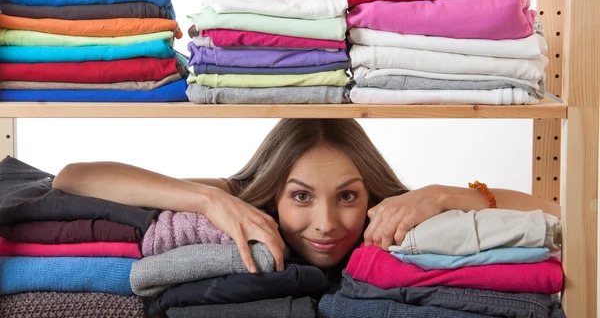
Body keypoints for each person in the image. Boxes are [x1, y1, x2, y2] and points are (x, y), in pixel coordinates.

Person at [52, 118, 560, 274]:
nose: (325, 223)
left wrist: (443, 195)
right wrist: (210, 200)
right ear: (272, 194)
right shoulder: (238, 201)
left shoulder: (398, 216)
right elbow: (73, 178)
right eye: (300, 196)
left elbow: (557, 216)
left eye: (346, 196)